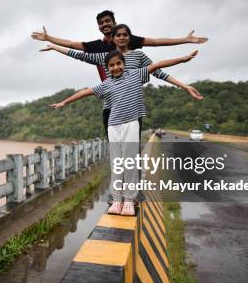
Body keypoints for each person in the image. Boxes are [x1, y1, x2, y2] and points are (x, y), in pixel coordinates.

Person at [50, 49, 199, 215]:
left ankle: (129, 200)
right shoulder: (106, 84)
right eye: (111, 65)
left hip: (131, 124)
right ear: (107, 68)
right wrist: (64, 102)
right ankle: (116, 199)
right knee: (117, 164)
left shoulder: (136, 75)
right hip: (113, 126)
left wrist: (183, 59)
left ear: (124, 64)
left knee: (129, 162)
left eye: (118, 63)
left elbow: (157, 65)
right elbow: (85, 92)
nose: (115, 67)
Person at [41, 23, 203, 135]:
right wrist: (54, 46)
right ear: (113, 38)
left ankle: (130, 183)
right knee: (116, 150)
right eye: (118, 35)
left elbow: (160, 72)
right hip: (110, 108)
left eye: (125, 35)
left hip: (132, 107)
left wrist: (185, 86)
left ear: (129, 37)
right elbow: (78, 54)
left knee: (131, 150)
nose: (122, 38)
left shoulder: (138, 55)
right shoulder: (106, 56)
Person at [31, 9, 208, 81]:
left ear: (114, 22)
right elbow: (71, 45)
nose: (105, 24)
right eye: (101, 23)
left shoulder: (127, 39)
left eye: (108, 21)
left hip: (130, 87)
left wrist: (185, 40)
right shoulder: (97, 47)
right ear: (98, 27)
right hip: (110, 90)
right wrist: (49, 38)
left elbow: (155, 42)